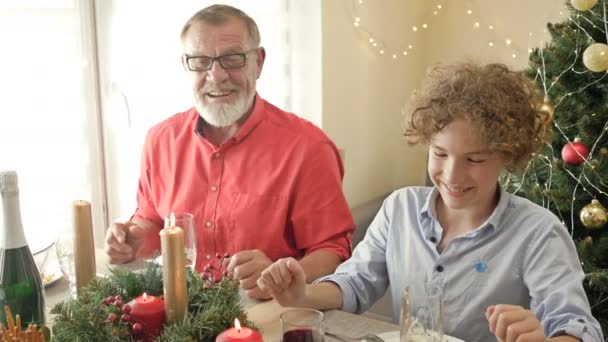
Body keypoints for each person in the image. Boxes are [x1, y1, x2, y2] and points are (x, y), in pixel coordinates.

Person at [257, 62, 603, 341]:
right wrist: (302, 296)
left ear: (508, 156)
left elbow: (576, 326)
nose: (452, 176)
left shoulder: (538, 232)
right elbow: (355, 282)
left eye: (476, 160)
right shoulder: (400, 209)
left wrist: (543, 337)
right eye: (440, 153)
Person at [104, 4, 355, 299]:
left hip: (268, 315)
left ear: (258, 62)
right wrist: (133, 241)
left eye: (232, 59)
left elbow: (333, 251)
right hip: (180, 310)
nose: (217, 75)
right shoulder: (160, 140)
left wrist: (280, 273)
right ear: (186, 65)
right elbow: (152, 220)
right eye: (201, 61)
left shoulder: (308, 148)